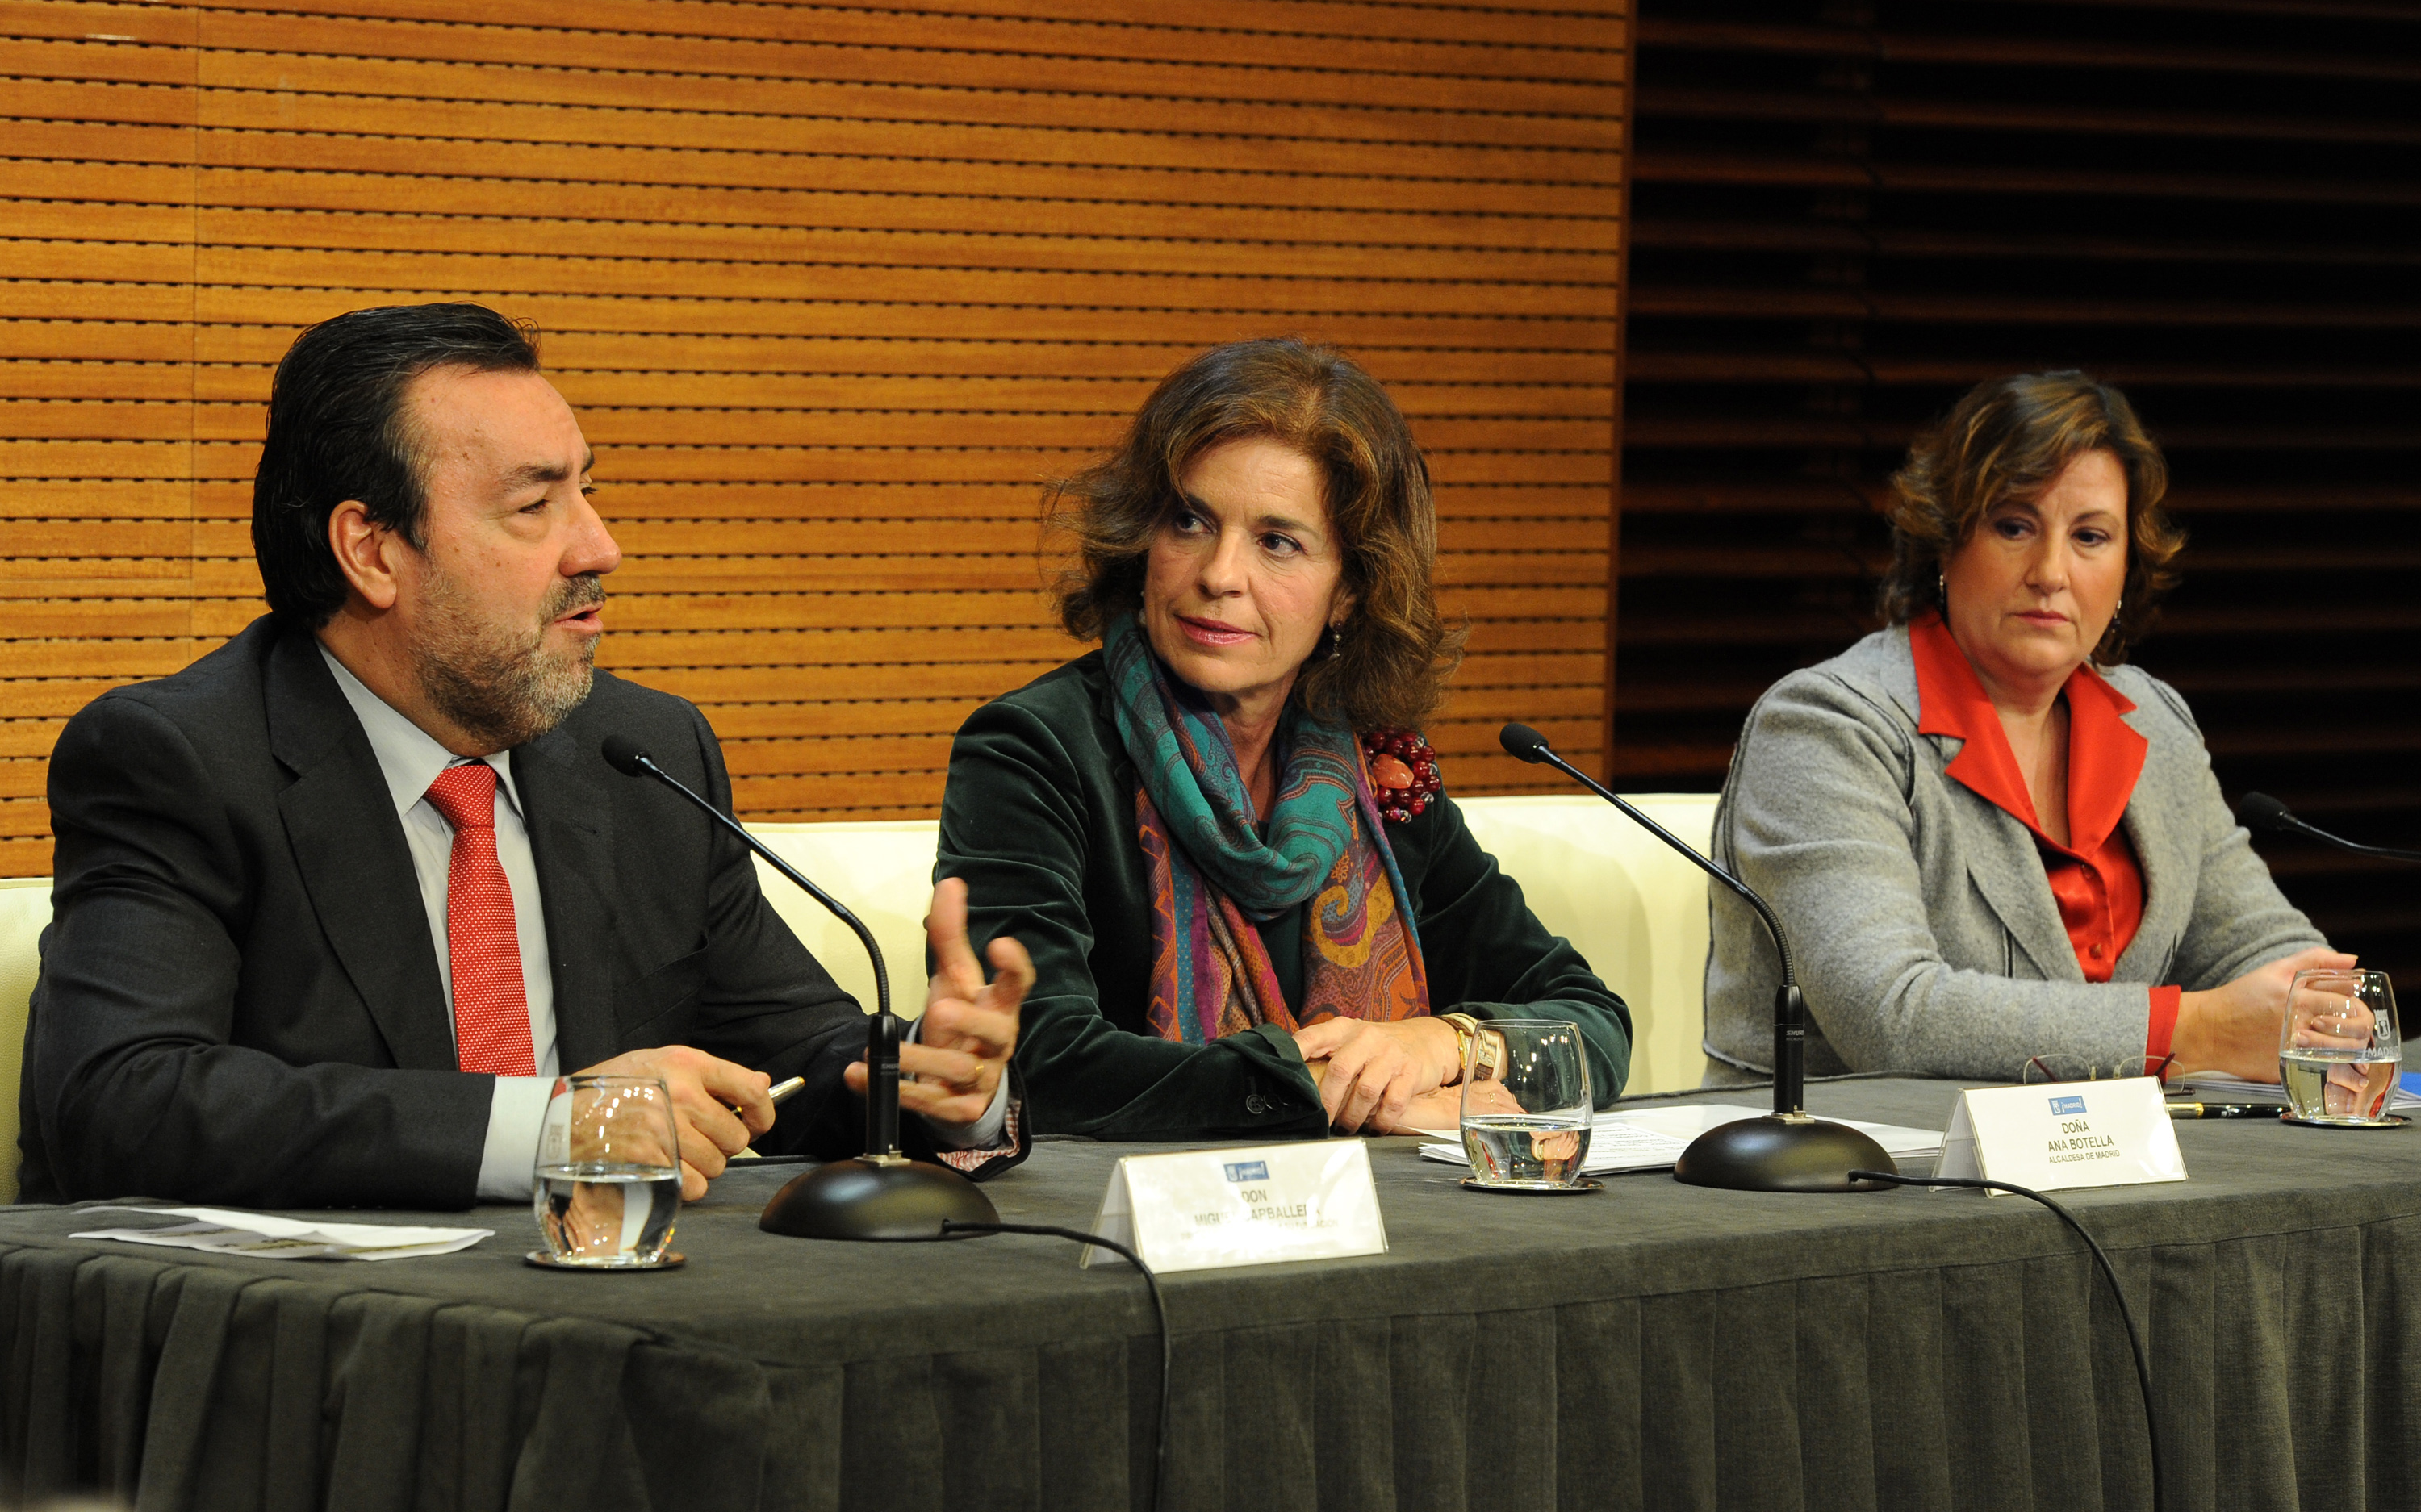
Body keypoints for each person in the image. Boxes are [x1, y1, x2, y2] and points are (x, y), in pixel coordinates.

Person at [19, 303, 1034, 1209]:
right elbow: (119, 1101)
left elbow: (799, 1060)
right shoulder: (182, 758)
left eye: (587, 493)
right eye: (534, 505)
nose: (599, 547)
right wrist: (556, 1126)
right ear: (372, 551)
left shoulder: (642, 752)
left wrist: (930, 1084)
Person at [935, 337, 1631, 1139]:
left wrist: (1439, 1043)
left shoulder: (1375, 776)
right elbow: (1038, 1063)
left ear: (1349, 592)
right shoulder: (1036, 748)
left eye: (1277, 542)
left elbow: (1593, 1024)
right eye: (1190, 520)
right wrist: (1331, 1091)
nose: (1220, 574)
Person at [1702, 370, 2351, 1086]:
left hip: (2112, 1166)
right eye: (2015, 526)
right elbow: (1891, 1015)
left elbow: (2254, 944)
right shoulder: (1827, 728)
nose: (2051, 572)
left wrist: (2321, 1009)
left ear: (2128, 566)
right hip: (1854, 1172)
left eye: (2091, 537)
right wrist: (2190, 1032)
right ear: (1945, 543)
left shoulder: (2154, 723)